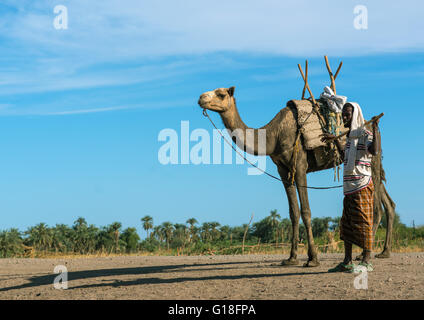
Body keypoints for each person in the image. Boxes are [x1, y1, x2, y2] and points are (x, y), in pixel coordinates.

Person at [321, 102, 381, 273]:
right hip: (349, 187)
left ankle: (367, 260)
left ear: (355, 115)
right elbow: (345, 158)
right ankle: (347, 261)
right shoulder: (350, 138)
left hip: (362, 185)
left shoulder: (365, 135)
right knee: (346, 224)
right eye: (343, 114)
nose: (344, 117)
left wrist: (376, 129)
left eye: (347, 114)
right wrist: (335, 142)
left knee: (363, 222)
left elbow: (375, 151)